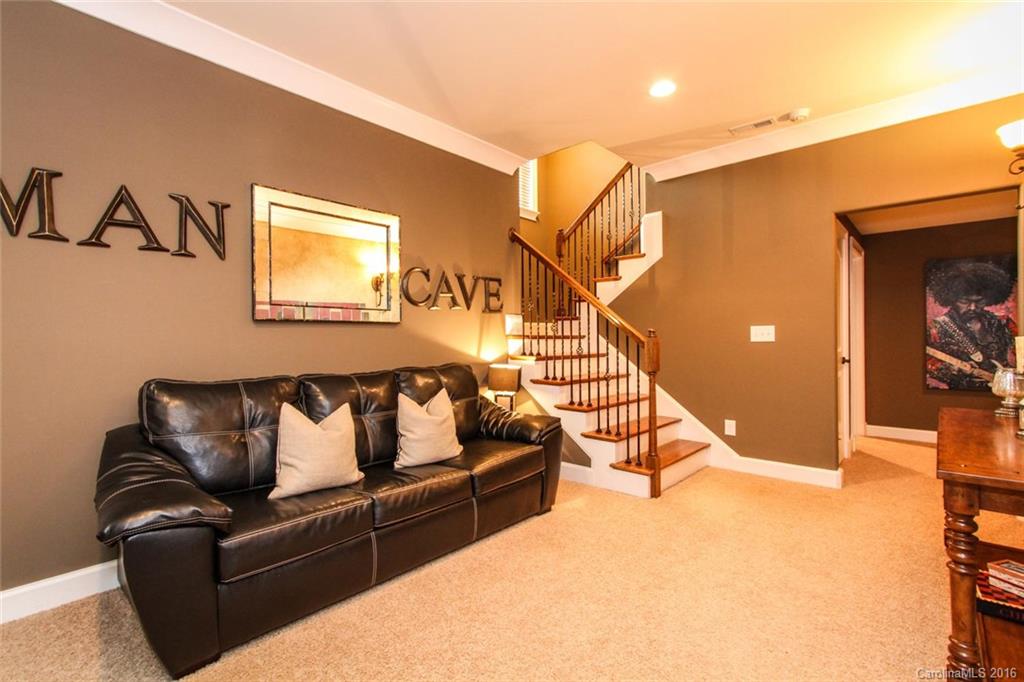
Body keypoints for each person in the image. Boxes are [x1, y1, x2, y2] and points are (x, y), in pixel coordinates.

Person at [926, 259, 1016, 390]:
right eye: (965, 301)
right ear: (952, 299)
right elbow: (925, 362)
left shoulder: (1002, 322)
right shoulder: (935, 328)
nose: (973, 307)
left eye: (979, 301)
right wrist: (955, 370)